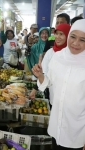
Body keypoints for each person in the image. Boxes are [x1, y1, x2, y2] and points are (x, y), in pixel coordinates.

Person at [32, 19, 85, 150]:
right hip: (57, 123)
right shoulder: (58, 57)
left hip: (77, 130)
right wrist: (41, 76)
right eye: (73, 37)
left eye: (82, 40)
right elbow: (49, 82)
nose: (76, 43)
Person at [29, 24, 71, 101]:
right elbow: (45, 75)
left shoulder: (72, 55)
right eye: (56, 34)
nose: (57, 37)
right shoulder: (51, 52)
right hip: (54, 96)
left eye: (61, 34)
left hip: (70, 99)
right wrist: (34, 90)